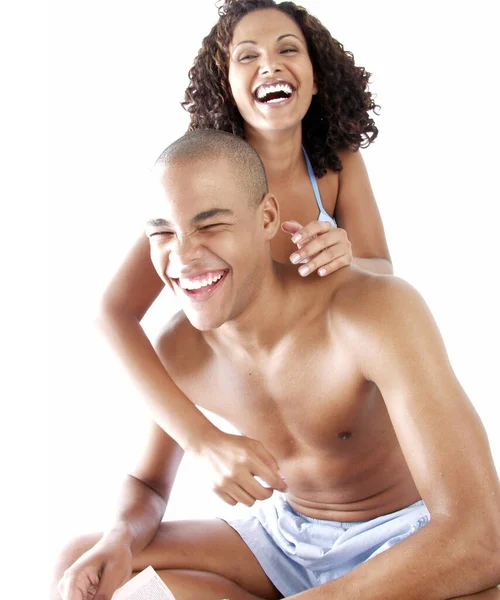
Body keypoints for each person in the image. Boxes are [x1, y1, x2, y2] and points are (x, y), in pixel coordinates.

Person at [53, 130, 500, 600]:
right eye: (162, 232)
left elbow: (482, 536)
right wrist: (120, 536)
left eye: (209, 225)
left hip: (405, 535)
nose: (182, 256)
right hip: (285, 542)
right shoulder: (178, 350)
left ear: (267, 218)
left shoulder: (373, 312)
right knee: (82, 568)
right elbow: (148, 483)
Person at [96, 0, 394, 503]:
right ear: (227, 87)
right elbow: (113, 313)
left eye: (287, 50)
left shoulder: (337, 162)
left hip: (323, 381)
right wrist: (200, 438)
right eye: (247, 56)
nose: (270, 65)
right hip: (245, 375)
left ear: (317, 77)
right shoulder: (206, 171)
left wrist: (346, 251)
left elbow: (382, 272)